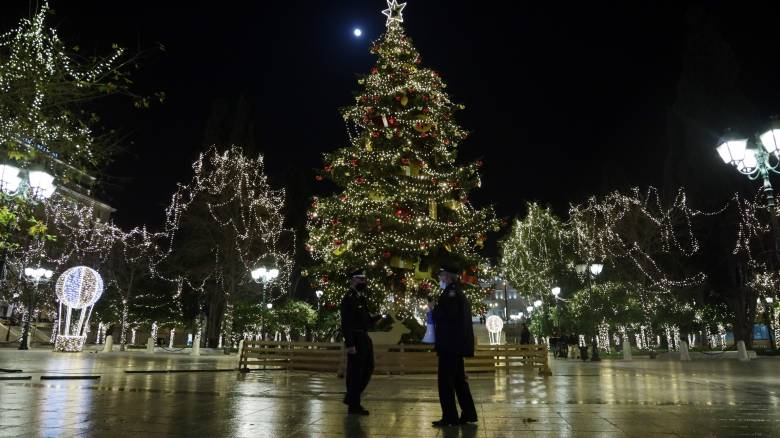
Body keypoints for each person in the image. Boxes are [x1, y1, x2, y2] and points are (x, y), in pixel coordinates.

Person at [432, 265, 477, 428]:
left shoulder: (450, 294)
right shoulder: (457, 292)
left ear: (448, 276)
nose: (439, 279)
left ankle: (450, 417)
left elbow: (448, 317)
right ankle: (469, 413)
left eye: (441, 275)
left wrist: (433, 310)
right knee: (459, 381)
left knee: (445, 382)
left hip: (449, 346)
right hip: (456, 345)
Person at [340, 270, 381, 415]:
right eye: (360, 279)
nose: (363, 282)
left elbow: (365, 320)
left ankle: (352, 398)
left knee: (368, 367)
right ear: (353, 280)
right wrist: (350, 344)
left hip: (364, 337)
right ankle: (354, 405)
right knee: (355, 373)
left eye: (364, 279)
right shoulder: (349, 298)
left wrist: (377, 317)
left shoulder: (360, 298)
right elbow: (346, 323)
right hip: (356, 338)